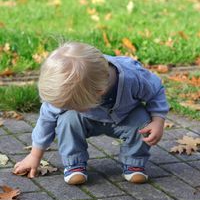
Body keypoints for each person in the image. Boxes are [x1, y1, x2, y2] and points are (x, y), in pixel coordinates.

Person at [13, 42, 169, 185]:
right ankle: (75, 163)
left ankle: (134, 162)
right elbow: (46, 120)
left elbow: (156, 92)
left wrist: (158, 120)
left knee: (142, 121)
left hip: (126, 117)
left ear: (99, 92)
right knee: (67, 120)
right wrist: (35, 156)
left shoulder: (134, 77)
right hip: (86, 119)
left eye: (72, 105)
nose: (67, 107)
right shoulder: (70, 91)